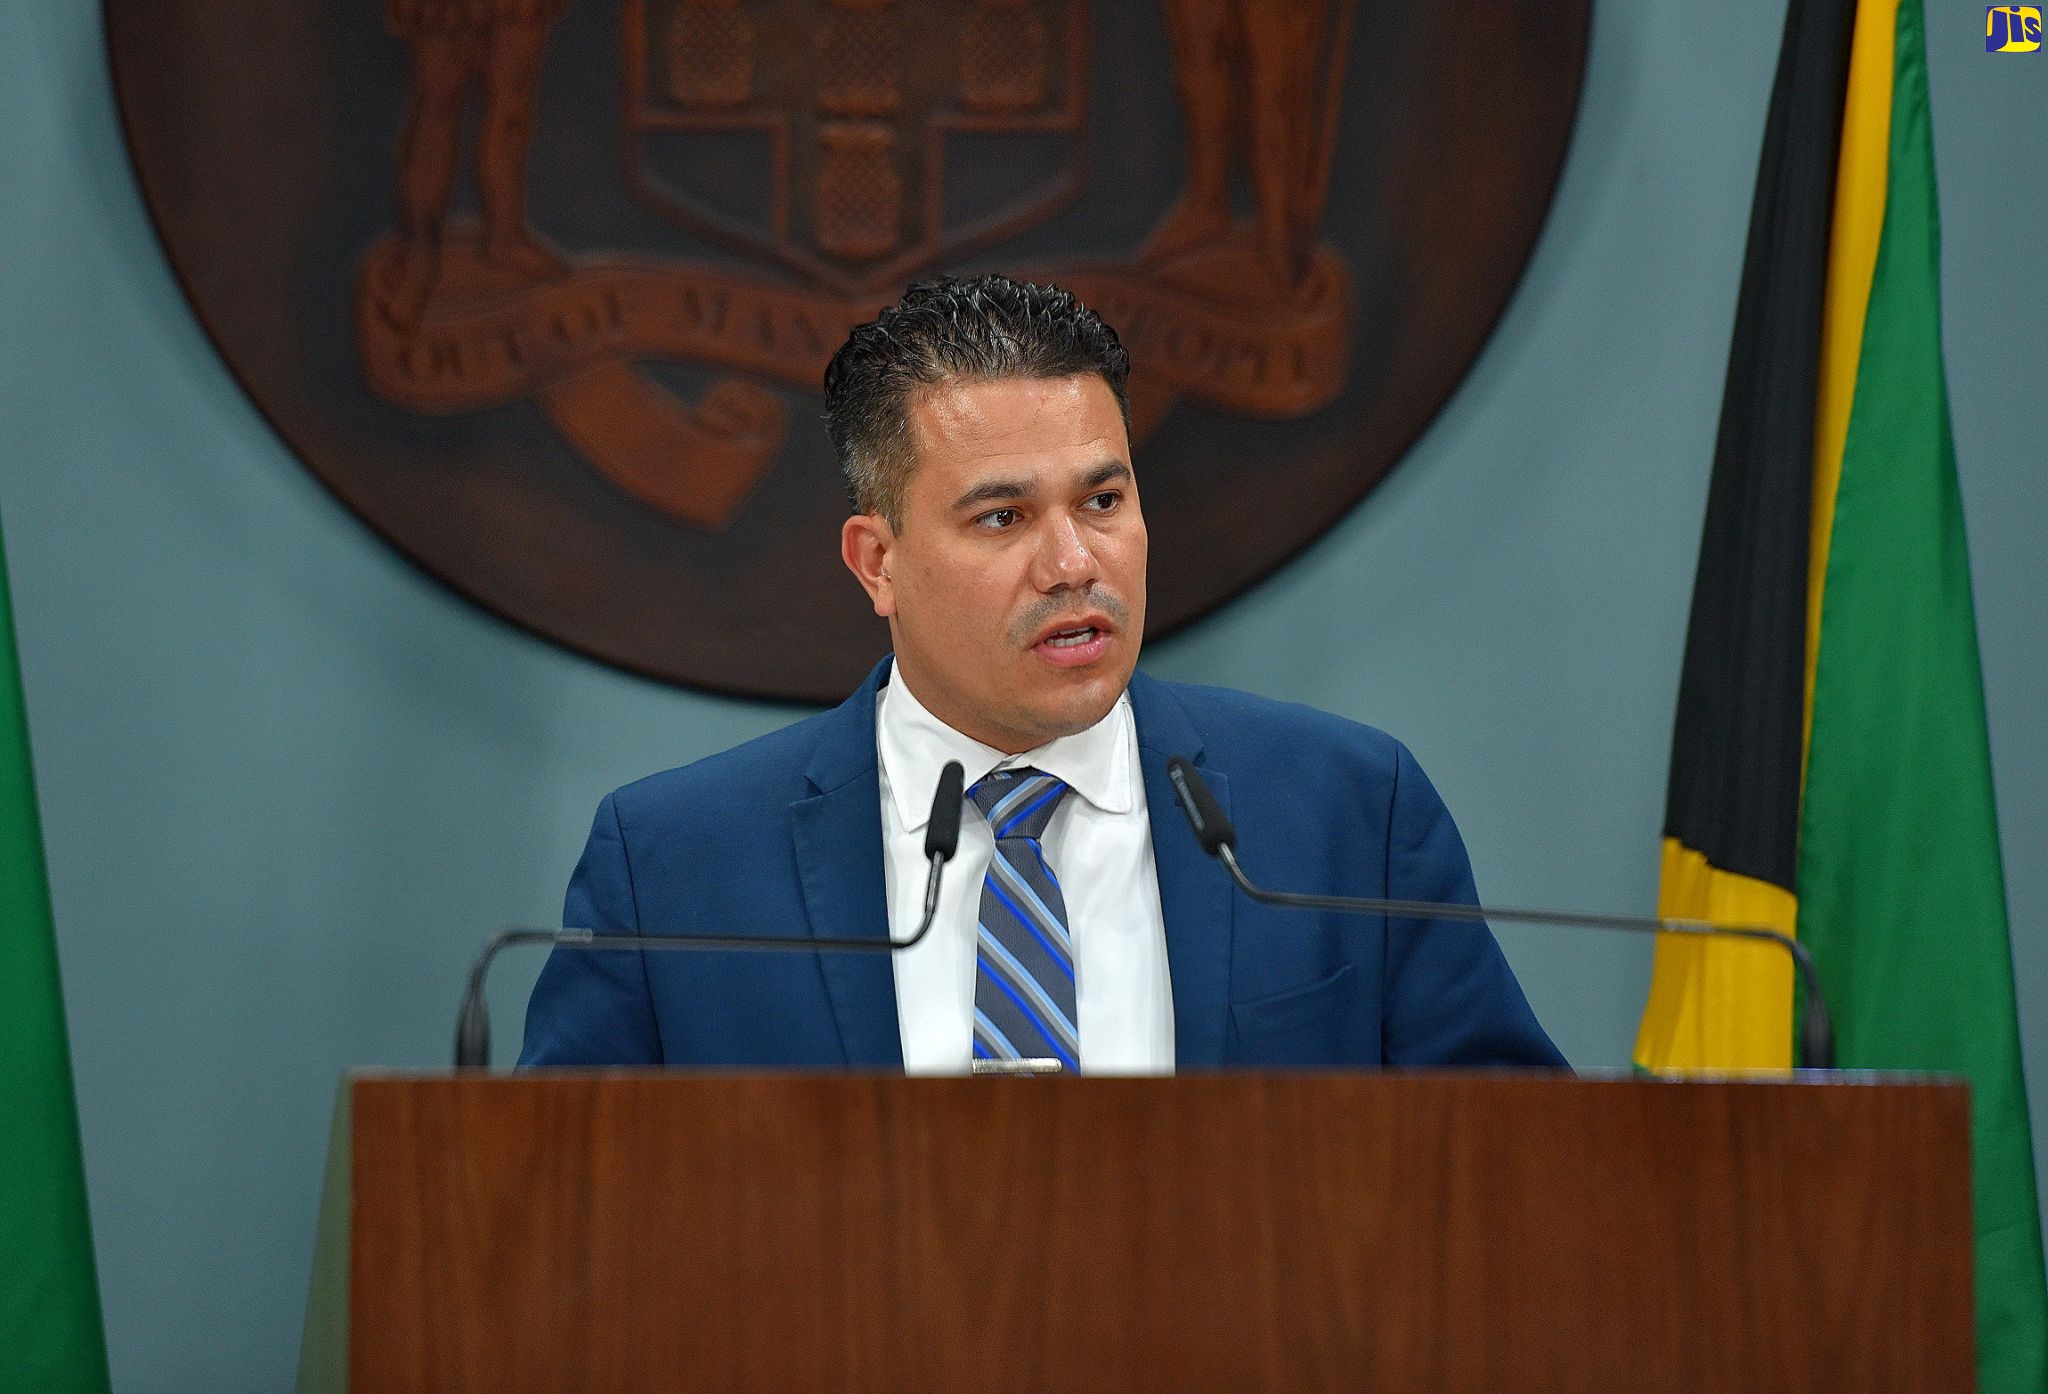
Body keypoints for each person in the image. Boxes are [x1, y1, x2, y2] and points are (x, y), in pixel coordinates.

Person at [519, 274, 1564, 1072]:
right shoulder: (672, 865)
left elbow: (1508, 1179)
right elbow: (557, 1224)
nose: (1073, 564)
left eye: (1101, 501)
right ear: (876, 562)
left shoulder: (1342, 811)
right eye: (1002, 516)